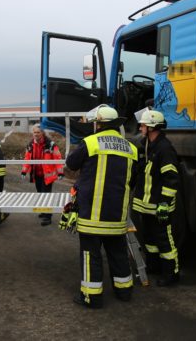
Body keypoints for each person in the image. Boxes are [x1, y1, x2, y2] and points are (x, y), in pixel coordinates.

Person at [64, 104, 137, 309]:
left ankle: (91, 297)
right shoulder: (131, 148)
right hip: (117, 216)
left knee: (91, 256)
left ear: (98, 124)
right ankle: (124, 292)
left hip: (92, 215)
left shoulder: (90, 143)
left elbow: (71, 164)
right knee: (118, 254)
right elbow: (134, 179)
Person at [131, 108, 181, 286]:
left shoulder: (164, 149)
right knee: (149, 238)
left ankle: (171, 274)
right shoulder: (146, 145)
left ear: (151, 127)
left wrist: (164, 205)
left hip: (159, 205)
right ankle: (153, 266)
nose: (140, 127)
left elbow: (171, 179)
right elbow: (139, 170)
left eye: (143, 124)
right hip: (146, 205)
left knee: (164, 239)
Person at [21, 124, 64, 226]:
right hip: (37, 174)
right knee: (40, 194)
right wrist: (24, 171)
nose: (36, 134)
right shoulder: (30, 145)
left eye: (38, 132)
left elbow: (58, 158)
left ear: (43, 133)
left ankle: (48, 217)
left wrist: (61, 172)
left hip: (47, 175)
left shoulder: (51, 145)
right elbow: (27, 158)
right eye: (34, 132)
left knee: (46, 195)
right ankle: (43, 211)